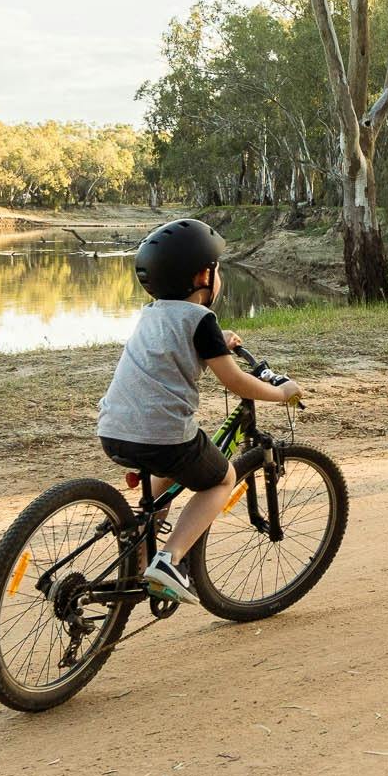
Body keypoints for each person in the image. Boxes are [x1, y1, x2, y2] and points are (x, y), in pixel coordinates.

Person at [98, 218, 300, 607]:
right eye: (217, 268)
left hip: (114, 429)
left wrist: (217, 343)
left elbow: (172, 345)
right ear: (201, 276)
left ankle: (138, 542)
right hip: (162, 437)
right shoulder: (202, 320)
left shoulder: (151, 313)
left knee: (167, 465)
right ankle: (169, 561)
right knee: (221, 479)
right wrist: (280, 393)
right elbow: (236, 382)